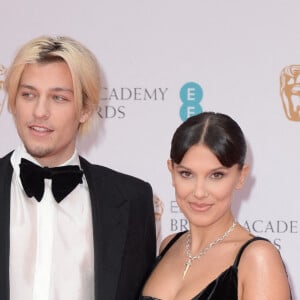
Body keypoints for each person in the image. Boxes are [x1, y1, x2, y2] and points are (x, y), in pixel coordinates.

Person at [0, 35, 156, 300]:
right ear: (14, 102)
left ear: (85, 109)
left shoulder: (132, 200)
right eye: (28, 94)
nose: (39, 111)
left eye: (58, 98)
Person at [140, 112, 291, 299]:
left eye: (216, 175)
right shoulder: (168, 246)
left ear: (241, 176)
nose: (199, 192)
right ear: (172, 172)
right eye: (186, 174)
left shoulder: (257, 258)